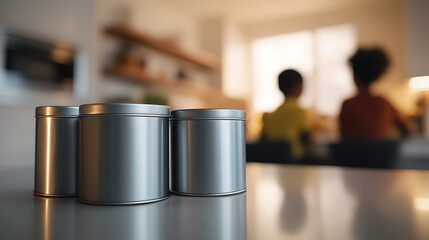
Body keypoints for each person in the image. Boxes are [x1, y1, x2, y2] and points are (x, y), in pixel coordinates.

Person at [339, 47, 409, 139]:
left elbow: (344, 137)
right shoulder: (384, 103)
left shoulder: (347, 105)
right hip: (382, 153)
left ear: (355, 76)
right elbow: (407, 129)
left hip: (354, 154)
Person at [261, 69, 310, 159]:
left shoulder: (269, 115)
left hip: (272, 160)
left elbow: (263, 139)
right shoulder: (299, 111)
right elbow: (306, 138)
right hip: (294, 161)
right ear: (298, 87)